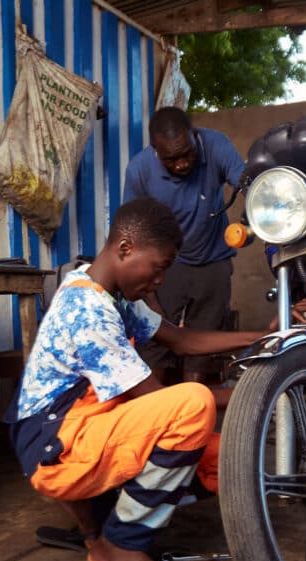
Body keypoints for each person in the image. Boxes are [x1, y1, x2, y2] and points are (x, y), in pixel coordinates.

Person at [5, 198, 295, 561]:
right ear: (125, 248)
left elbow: (182, 339)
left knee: (225, 454)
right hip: (56, 450)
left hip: (79, 430)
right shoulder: (85, 307)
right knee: (192, 406)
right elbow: (159, 401)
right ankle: (121, 543)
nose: (159, 282)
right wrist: (257, 391)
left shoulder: (113, 296)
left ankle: (104, 521)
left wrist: (264, 340)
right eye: (158, 268)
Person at [123, 106, 245, 385]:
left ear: (194, 136)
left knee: (202, 347)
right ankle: (154, 417)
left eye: (187, 153)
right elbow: (132, 234)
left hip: (213, 259)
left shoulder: (215, 145)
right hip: (168, 266)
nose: (181, 164)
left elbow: (249, 182)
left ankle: (193, 410)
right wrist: (149, 298)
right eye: (171, 159)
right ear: (155, 151)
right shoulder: (139, 170)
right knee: (154, 341)